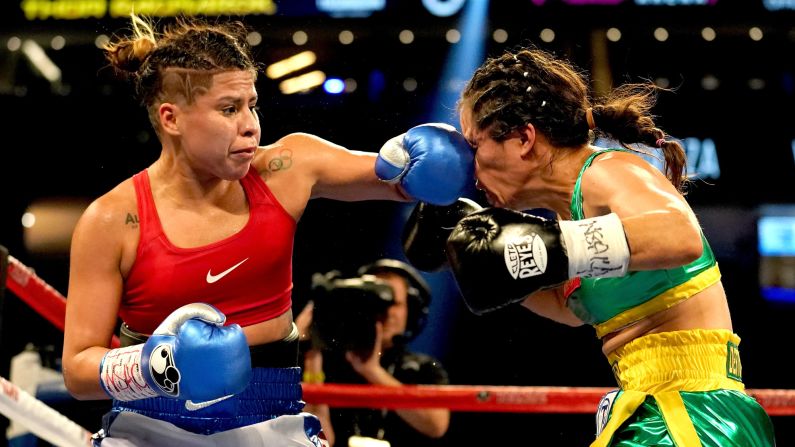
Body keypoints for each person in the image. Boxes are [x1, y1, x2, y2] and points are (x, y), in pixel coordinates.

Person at [61, 13, 473, 446]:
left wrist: (416, 160)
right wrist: (158, 367)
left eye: (251, 104)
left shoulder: (286, 169)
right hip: (149, 428)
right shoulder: (113, 220)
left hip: (271, 422)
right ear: (171, 119)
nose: (251, 125)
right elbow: (78, 370)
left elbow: (405, 177)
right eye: (229, 108)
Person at [405, 47, 776, 446]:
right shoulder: (572, 216)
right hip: (659, 407)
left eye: (476, 146)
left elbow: (679, 236)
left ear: (524, 138)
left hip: (691, 411)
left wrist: (550, 247)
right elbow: (571, 309)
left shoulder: (606, 171)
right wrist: (486, 264)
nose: (471, 169)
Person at [298, 259, 450, 447]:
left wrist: (372, 371)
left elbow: (436, 424)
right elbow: (318, 441)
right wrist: (310, 353)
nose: (384, 311)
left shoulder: (422, 368)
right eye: (375, 300)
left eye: (392, 302)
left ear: (410, 310)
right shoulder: (327, 363)